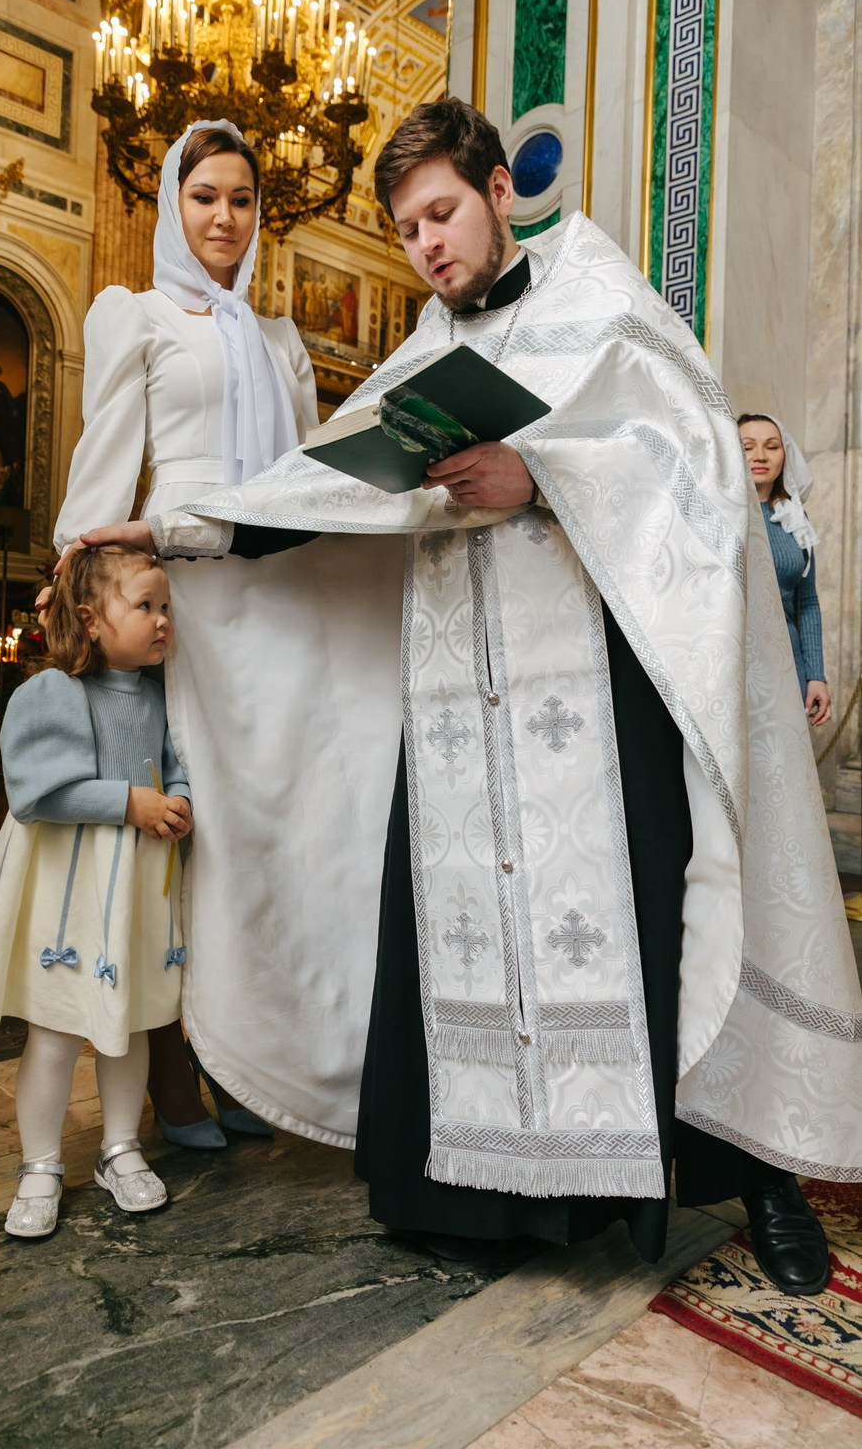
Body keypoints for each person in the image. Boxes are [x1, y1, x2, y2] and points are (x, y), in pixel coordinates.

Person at [84, 100, 861, 1297]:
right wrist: (176, 531)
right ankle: (485, 1198)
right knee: (458, 942)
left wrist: (537, 472)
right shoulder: (417, 356)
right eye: (404, 231)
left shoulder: (604, 311)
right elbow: (319, 493)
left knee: (663, 928)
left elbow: (695, 465)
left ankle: (750, 1175)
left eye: (440, 213)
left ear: (500, 193)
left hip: (601, 713)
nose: (427, 247)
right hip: (460, 718)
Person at [50, 119, 400, 1150]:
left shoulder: (280, 338)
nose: (224, 216)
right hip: (181, 599)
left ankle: (250, 1055)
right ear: (173, 202)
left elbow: (301, 478)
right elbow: (108, 461)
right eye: (205, 195)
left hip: (276, 589)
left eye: (241, 199)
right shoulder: (135, 315)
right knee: (187, 838)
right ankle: (171, 1076)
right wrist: (75, 576)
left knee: (266, 836)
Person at [0, 543, 192, 1238]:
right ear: (90, 617)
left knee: (127, 1025)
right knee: (54, 1034)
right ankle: (41, 1164)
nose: (162, 620)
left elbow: (176, 765)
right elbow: (37, 789)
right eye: (145, 605)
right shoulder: (53, 693)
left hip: (133, 889)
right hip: (70, 889)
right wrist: (130, 803)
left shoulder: (160, 695)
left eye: (165, 607)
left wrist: (178, 799)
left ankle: (120, 1148)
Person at [737, 414, 831, 727]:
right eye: (747, 446)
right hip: (731, 665)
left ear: (784, 455)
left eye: (772, 446)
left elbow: (807, 603)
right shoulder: (716, 514)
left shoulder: (794, 518)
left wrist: (816, 676)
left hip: (788, 666)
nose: (760, 456)